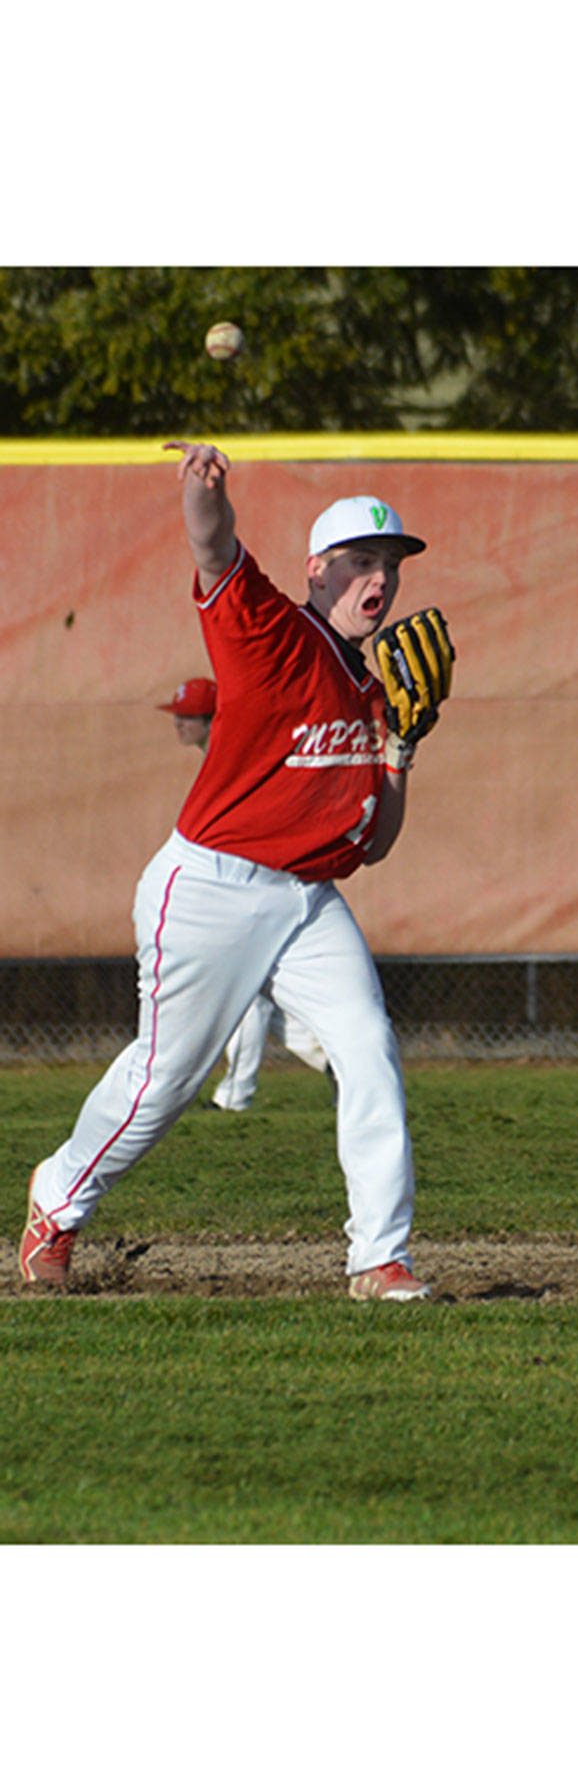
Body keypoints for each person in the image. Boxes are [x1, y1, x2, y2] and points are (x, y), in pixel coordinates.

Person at [19, 451, 439, 1297]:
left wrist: (403, 746)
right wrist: (203, 495)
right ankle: (57, 1201)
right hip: (212, 886)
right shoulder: (274, 631)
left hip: (307, 899)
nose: (380, 581)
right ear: (317, 570)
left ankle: (378, 1257)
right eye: (361, 562)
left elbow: (376, 844)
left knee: (368, 1049)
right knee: (164, 1083)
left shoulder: (374, 688)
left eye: (389, 566)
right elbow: (214, 553)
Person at [156, 675, 334, 1111]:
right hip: (246, 878)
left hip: (259, 879)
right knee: (266, 996)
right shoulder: (221, 754)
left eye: (187, 716)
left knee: (247, 993)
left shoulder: (236, 753)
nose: (178, 723)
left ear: (210, 718)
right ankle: (335, 1064)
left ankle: (236, 1095)